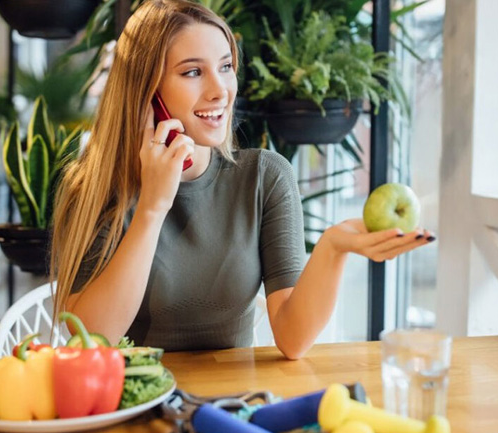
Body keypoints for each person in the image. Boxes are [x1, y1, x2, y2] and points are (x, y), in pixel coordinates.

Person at [50, 0, 434, 360]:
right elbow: (93, 339)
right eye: (192, 72)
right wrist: (152, 208)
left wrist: (333, 248)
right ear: (146, 93)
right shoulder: (92, 188)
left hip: (232, 403)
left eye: (225, 67)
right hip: (132, 403)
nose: (220, 91)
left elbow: (293, 339)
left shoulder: (265, 177)